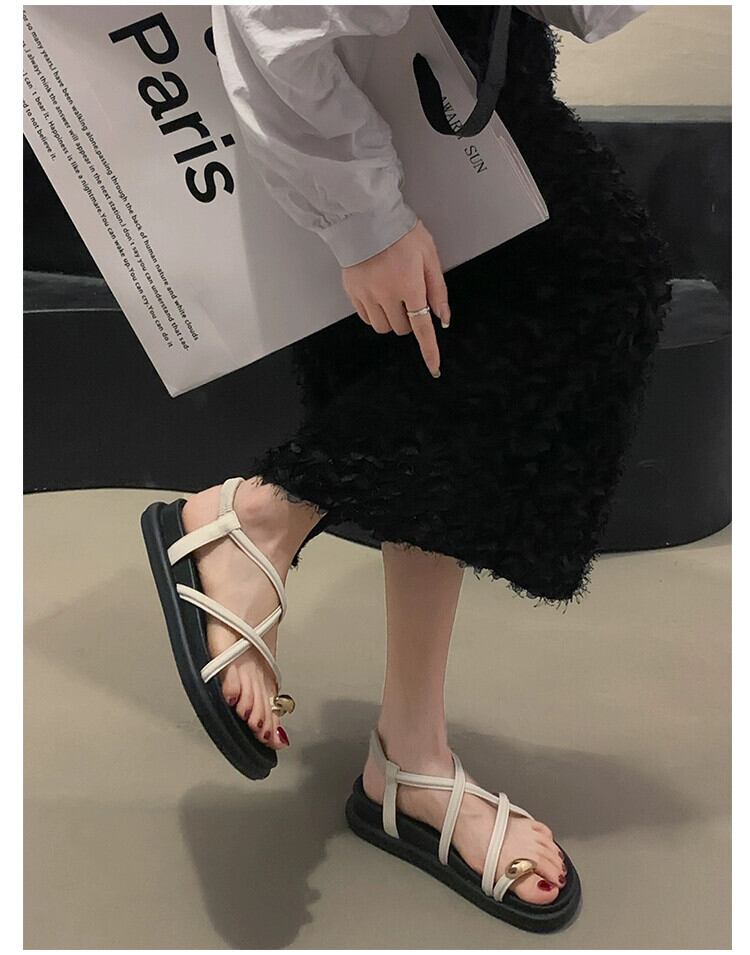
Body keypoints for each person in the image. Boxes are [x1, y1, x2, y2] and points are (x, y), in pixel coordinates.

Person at [141, 5, 671, 932]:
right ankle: (260, 518)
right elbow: (273, 14)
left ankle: (410, 753)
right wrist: (365, 218)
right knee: (592, 283)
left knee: (439, 357)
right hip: (353, 87)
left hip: (441, 69)